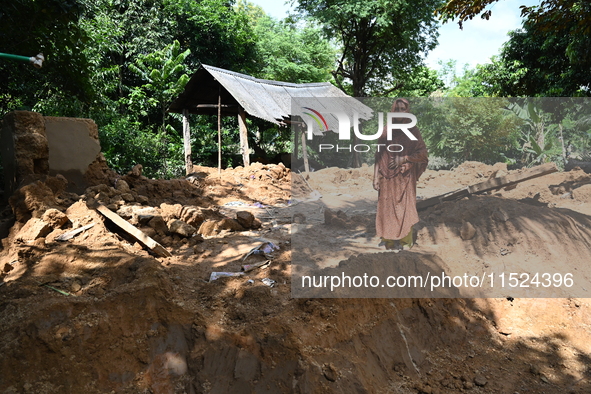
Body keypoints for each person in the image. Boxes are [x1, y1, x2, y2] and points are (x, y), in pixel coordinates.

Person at [373, 98, 428, 251]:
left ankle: (405, 242)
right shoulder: (386, 129)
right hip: (386, 176)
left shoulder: (413, 130)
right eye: (397, 109)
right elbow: (378, 154)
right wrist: (375, 176)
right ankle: (389, 241)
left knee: (404, 208)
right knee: (387, 208)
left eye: (403, 109)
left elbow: (422, 153)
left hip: (405, 176)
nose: (399, 112)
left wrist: (403, 159)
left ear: (407, 111)